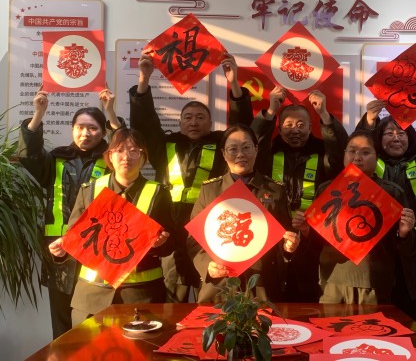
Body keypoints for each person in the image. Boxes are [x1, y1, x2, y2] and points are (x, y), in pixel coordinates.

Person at [129, 51, 253, 303]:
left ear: (210, 122)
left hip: (211, 225)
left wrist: (233, 84)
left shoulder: (222, 144)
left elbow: (242, 127)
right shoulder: (166, 145)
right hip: (172, 226)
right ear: (180, 122)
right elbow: (145, 124)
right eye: (187, 117)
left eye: (200, 117)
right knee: (173, 294)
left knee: (212, 290)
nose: (194, 122)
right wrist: (144, 80)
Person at [17, 87, 122, 339]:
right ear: (72, 129)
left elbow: (125, 145)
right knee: (62, 319)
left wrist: (110, 112)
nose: (85, 133)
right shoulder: (57, 159)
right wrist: (38, 113)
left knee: (98, 317)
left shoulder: (112, 161)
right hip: (60, 250)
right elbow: (29, 155)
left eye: (93, 128)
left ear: (103, 131)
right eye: (80, 127)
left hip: (100, 249)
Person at [48, 128, 175, 327]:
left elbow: (171, 243)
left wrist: (161, 244)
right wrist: (62, 249)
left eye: (134, 151)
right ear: (109, 156)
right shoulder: (90, 190)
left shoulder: (158, 193)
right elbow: (75, 236)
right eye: (120, 150)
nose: (126, 157)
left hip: (141, 296)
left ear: (144, 157)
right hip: (91, 296)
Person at [355, 99, 416, 326]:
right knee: (376, 327)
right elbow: (357, 150)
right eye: (389, 133)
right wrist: (369, 121)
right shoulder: (368, 165)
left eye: (402, 133)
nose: (396, 137)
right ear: (379, 139)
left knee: (414, 328)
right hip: (375, 257)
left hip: (415, 262)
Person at [251, 87, 348, 302]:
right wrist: (270, 111)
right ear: (279, 127)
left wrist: (324, 115)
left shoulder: (322, 152)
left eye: (301, 125)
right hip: (274, 237)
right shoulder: (268, 152)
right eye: (288, 125)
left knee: (309, 298)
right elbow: (253, 141)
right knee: (273, 297)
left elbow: (340, 151)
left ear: (311, 127)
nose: (295, 130)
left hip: (313, 238)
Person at [187, 124, 300, 303]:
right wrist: (207, 265)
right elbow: (194, 240)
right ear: (223, 153)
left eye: (246, 147)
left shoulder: (275, 190)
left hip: (262, 284)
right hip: (220, 285)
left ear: (256, 150)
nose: (240, 154)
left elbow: (284, 235)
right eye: (233, 149)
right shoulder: (210, 190)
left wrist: (288, 248)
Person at [306, 130, 416, 305]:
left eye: (365, 152)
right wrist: (305, 229)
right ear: (344, 154)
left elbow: (407, 249)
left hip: (374, 284)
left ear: (377, 156)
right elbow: (314, 243)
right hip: (332, 281)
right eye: (352, 151)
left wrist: (404, 233)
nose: (357, 158)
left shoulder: (391, 193)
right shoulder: (326, 189)